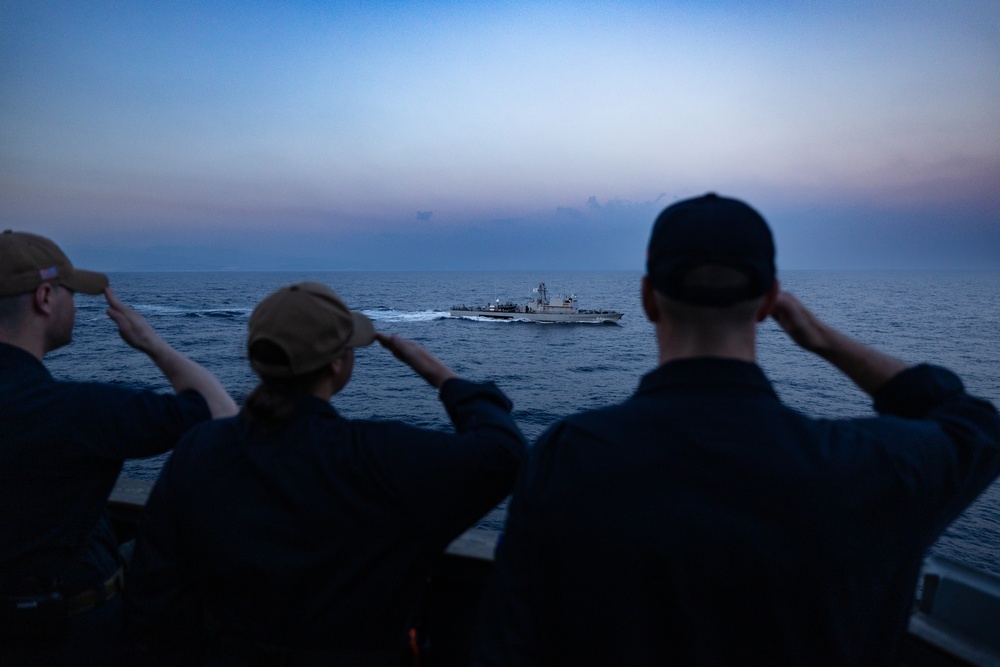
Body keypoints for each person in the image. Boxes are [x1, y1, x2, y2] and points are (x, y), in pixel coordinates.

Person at [472, 194, 1000, 666]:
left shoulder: (565, 458)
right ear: (771, 302)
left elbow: (508, 642)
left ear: (648, 298)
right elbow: (975, 426)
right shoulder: (867, 467)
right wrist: (821, 339)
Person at [125, 280, 527, 665]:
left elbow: (153, 592)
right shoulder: (380, 457)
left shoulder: (199, 449)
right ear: (339, 362)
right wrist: (442, 375)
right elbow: (504, 452)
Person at [0, 230, 238, 666]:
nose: (77, 304)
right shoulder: (79, 412)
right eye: (72, 292)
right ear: (45, 298)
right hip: (70, 639)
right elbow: (221, 414)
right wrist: (152, 343)